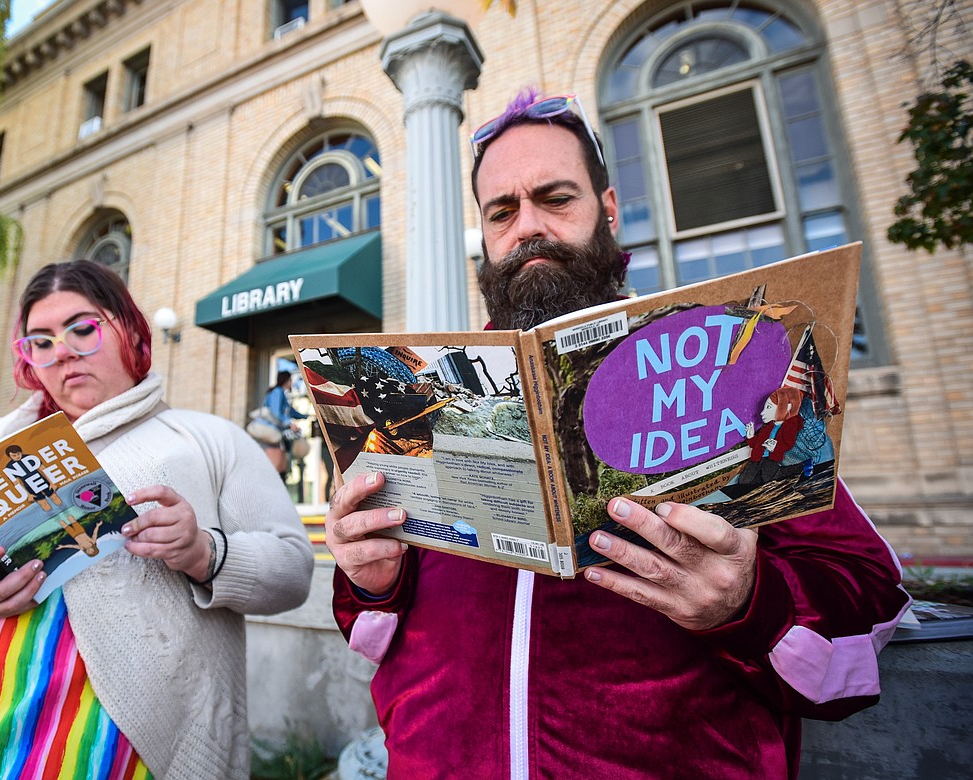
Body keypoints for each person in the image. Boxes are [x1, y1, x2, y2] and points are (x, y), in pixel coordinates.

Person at [325, 90, 910, 779]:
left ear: (606, 211)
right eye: (503, 211)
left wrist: (752, 603)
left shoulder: (716, 366)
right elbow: (375, 637)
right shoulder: (426, 401)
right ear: (484, 235)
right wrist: (370, 581)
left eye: (556, 198)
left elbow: (870, 604)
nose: (529, 228)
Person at [0, 260, 314, 779]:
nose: (61, 351)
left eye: (82, 329)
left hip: (121, 749)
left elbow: (292, 569)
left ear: (130, 330)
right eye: (40, 342)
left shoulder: (207, 439)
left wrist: (204, 552)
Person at [261, 369, 308, 479]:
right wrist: (289, 424)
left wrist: (305, 416)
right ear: (286, 380)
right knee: (278, 463)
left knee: (283, 459)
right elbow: (276, 412)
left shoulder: (282, 394)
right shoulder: (277, 392)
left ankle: (284, 474)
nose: (292, 383)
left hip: (279, 433)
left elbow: (291, 412)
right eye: (290, 380)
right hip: (274, 432)